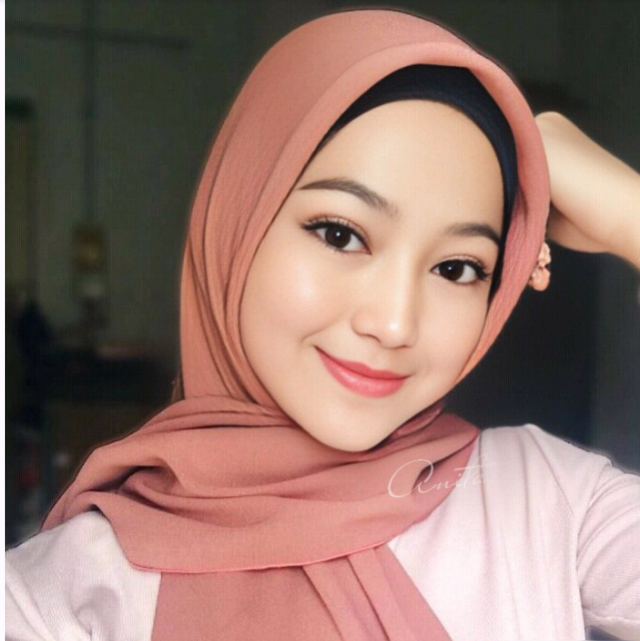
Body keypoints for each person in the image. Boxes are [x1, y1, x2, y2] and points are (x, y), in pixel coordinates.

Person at [5, 8, 640, 641]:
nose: (394, 323)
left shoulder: (545, 502)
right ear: (236, 221)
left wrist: (625, 214)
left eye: (456, 268)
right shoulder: (66, 596)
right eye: (340, 234)